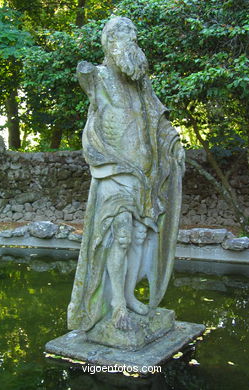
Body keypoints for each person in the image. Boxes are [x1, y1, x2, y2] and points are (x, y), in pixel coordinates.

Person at [67, 16, 185, 332]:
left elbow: (159, 121)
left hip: (146, 178)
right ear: (110, 42)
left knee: (138, 237)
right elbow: (86, 77)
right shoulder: (97, 76)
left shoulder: (141, 84)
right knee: (118, 236)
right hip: (114, 172)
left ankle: (129, 296)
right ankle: (117, 305)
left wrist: (173, 144)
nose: (131, 45)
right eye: (123, 39)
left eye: (133, 39)